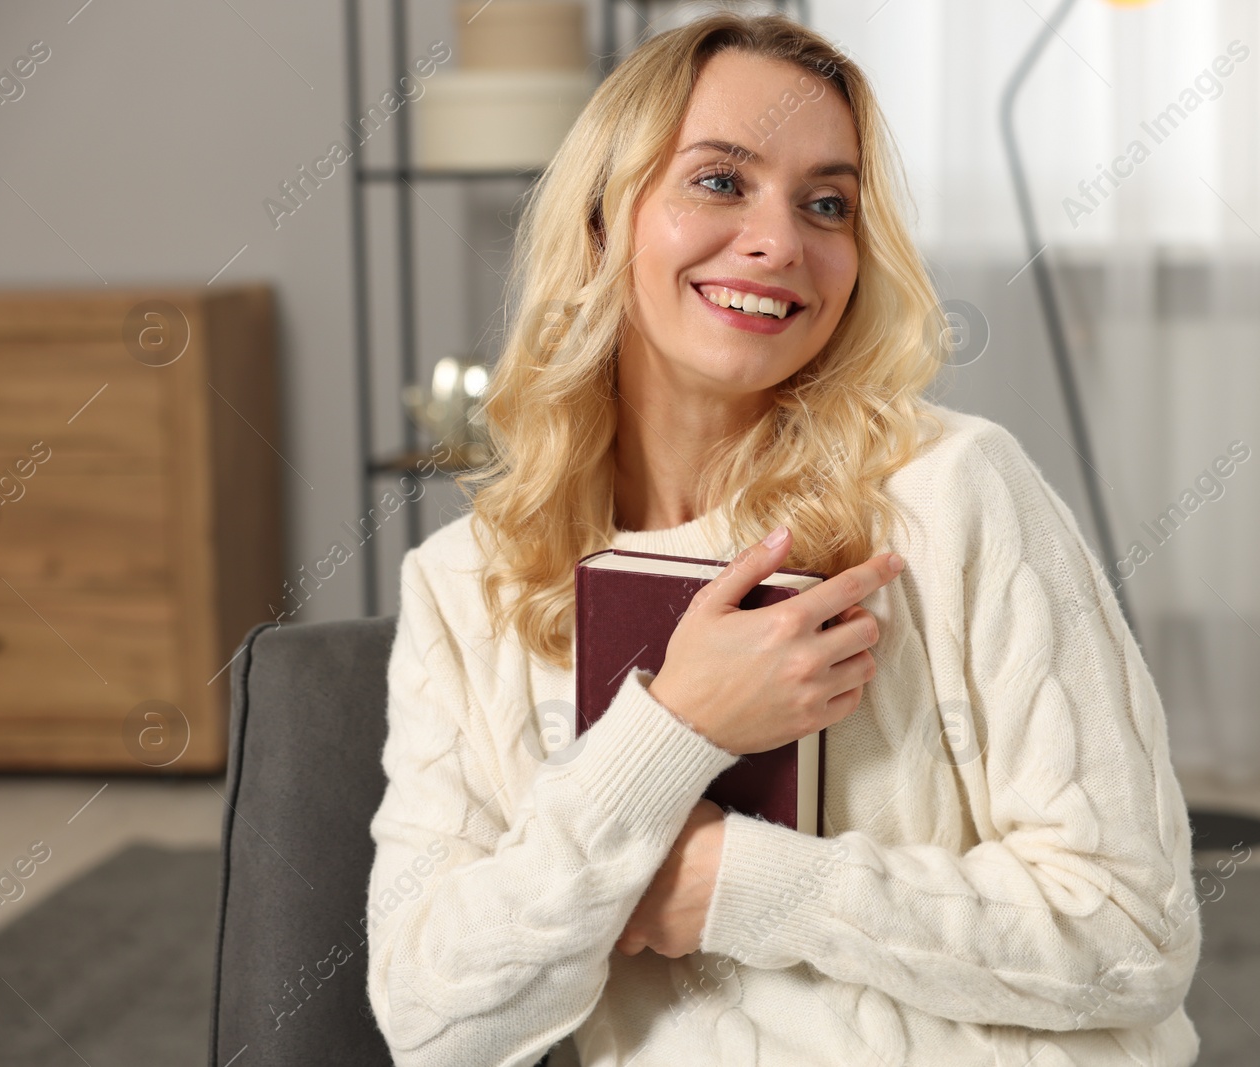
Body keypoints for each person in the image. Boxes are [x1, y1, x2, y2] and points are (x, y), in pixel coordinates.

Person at [365, 12, 1201, 1067]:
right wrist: (673, 725)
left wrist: (735, 884)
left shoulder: (953, 494)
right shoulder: (467, 583)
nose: (780, 241)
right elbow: (432, 1022)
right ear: (599, 218)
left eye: (826, 204)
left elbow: (1132, 934)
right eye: (719, 181)